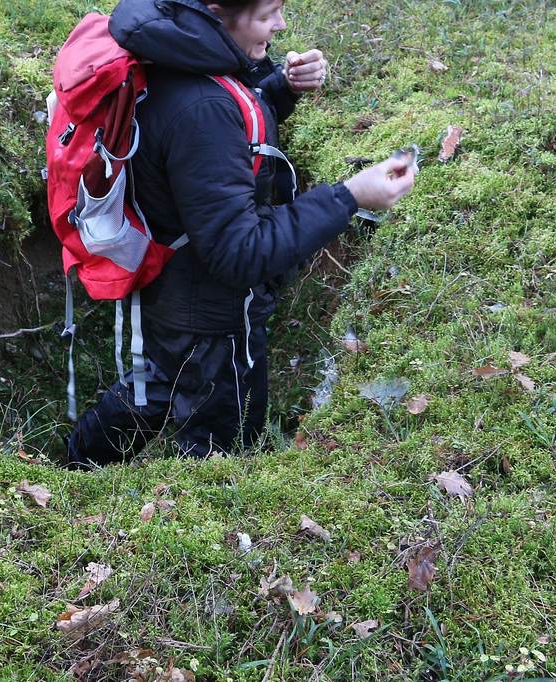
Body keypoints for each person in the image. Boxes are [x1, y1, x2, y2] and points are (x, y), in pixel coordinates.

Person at [66, 0, 415, 469]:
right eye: (269, 13)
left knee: (160, 381)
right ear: (216, 12)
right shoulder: (202, 108)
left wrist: (281, 88)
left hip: (170, 281)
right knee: (221, 445)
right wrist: (349, 196)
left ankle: (78, 461)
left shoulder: (177, 55)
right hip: (215, 315)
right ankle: (200, 498)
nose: (281, 24)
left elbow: (218, 135)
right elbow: (240, 252)